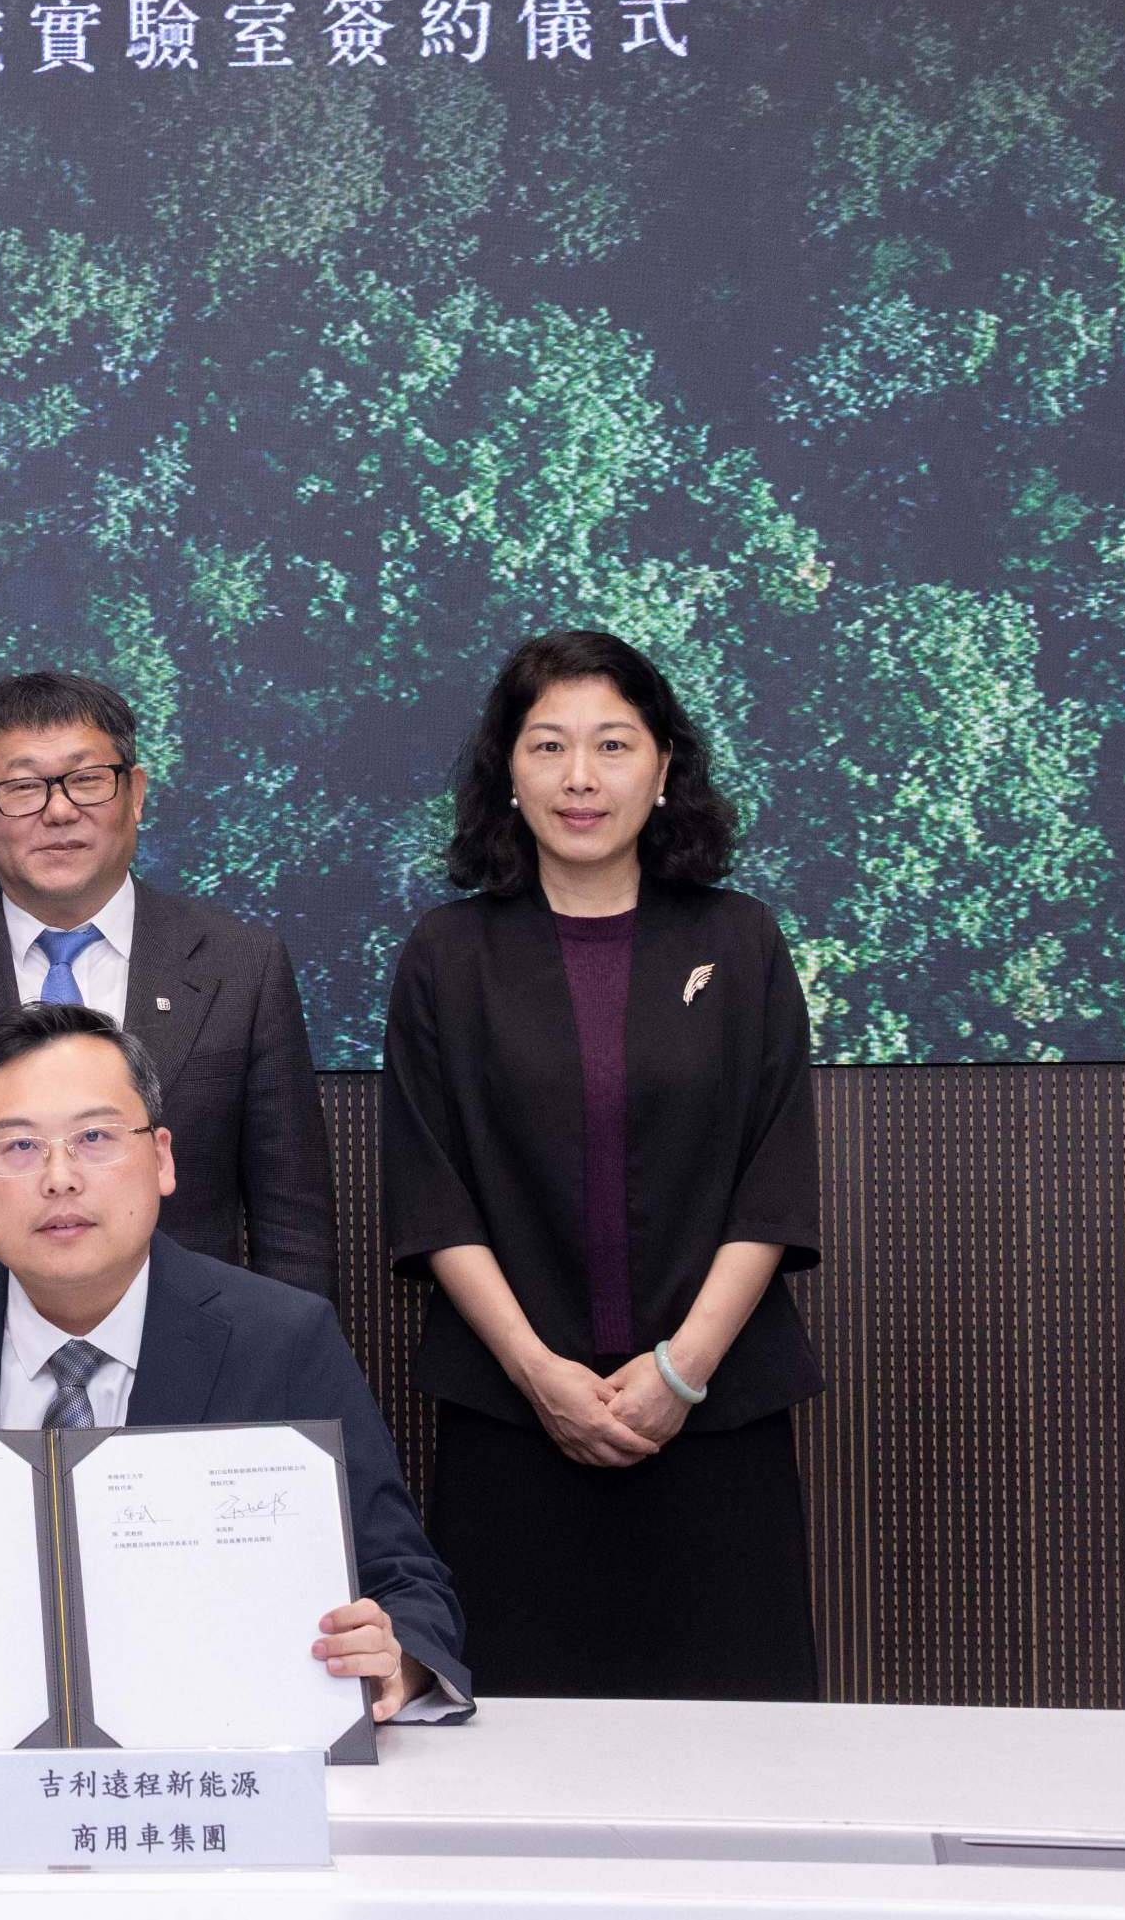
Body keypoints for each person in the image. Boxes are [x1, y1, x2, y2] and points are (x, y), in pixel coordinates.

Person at [0, 1001, 467, 1724]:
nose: (60, 1177)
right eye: (18, 1147)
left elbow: (405, 1584)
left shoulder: (283, 1341)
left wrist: (394, 1661)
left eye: (95, 1137)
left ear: (162, 1157)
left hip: (211, 1764)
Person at [381, 629, 824, 1700]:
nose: (580, 776)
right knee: (512, 1751)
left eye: (613, 744)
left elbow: (772, 1182)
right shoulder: (446, 954)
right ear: (508, 772)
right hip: (512, 1422)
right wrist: (540, 1374)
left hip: (714, 1420)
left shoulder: (742, 940)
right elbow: (434, 1197)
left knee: (741, 1752)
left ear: (664, 768)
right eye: (548, 745)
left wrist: (679, 1372)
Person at [0, 672, 336, 1367]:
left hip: (199, 1378)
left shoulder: (242, 967)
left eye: (87, 780)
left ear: (136, 792)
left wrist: (286, 1393)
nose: (59, 811)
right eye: (23, 787)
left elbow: (294, 1230)